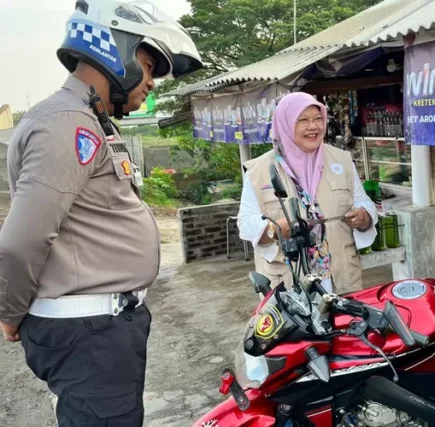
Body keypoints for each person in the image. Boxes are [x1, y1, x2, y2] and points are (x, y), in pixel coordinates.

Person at [0, 1, 202, 425]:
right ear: (117, 50)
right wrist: (9, 312)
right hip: (88, 333)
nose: (150, 83)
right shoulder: (64, 124)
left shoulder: (88, 119)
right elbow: (22, 242)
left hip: (101, 328)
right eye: (148, 67)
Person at [238, 92, 378, 294]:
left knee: (344, 326)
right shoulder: (259, 170)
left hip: (341, 279)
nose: (313, 127)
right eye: (302, 120)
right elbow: (245, 222)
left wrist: (364, 216)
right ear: (285, 124)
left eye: (318, 119)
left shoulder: (342, 160)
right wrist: (272, 229)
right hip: (288, 284)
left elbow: (364, 202)